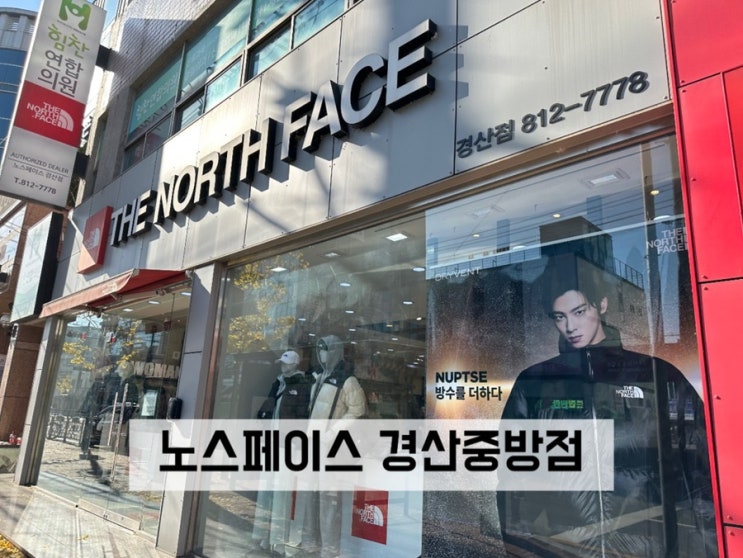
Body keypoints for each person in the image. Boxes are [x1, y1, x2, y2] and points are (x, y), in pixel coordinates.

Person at [497, 256, 717, 558]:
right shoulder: (535, 382)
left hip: (646, 547)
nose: (570, 326)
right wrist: (520, 548)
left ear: (601, 305)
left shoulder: (655, 374)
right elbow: (514, 475)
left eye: (579, 312)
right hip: (565, 546)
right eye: (559, 317)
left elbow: (700, 471)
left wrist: (709, 548)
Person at [253, 350, 315, 556]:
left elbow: (302, 417)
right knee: (266, 489)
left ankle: (278, 541)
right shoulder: (278, 382)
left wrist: (296, 444)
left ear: (295, 364)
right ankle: (263, 534)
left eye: (286, 362)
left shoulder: (302, 385)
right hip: (271, 442)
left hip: (286, 445)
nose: (283, 365)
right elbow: (268, 407)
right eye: (282, 362)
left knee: (281, 493)